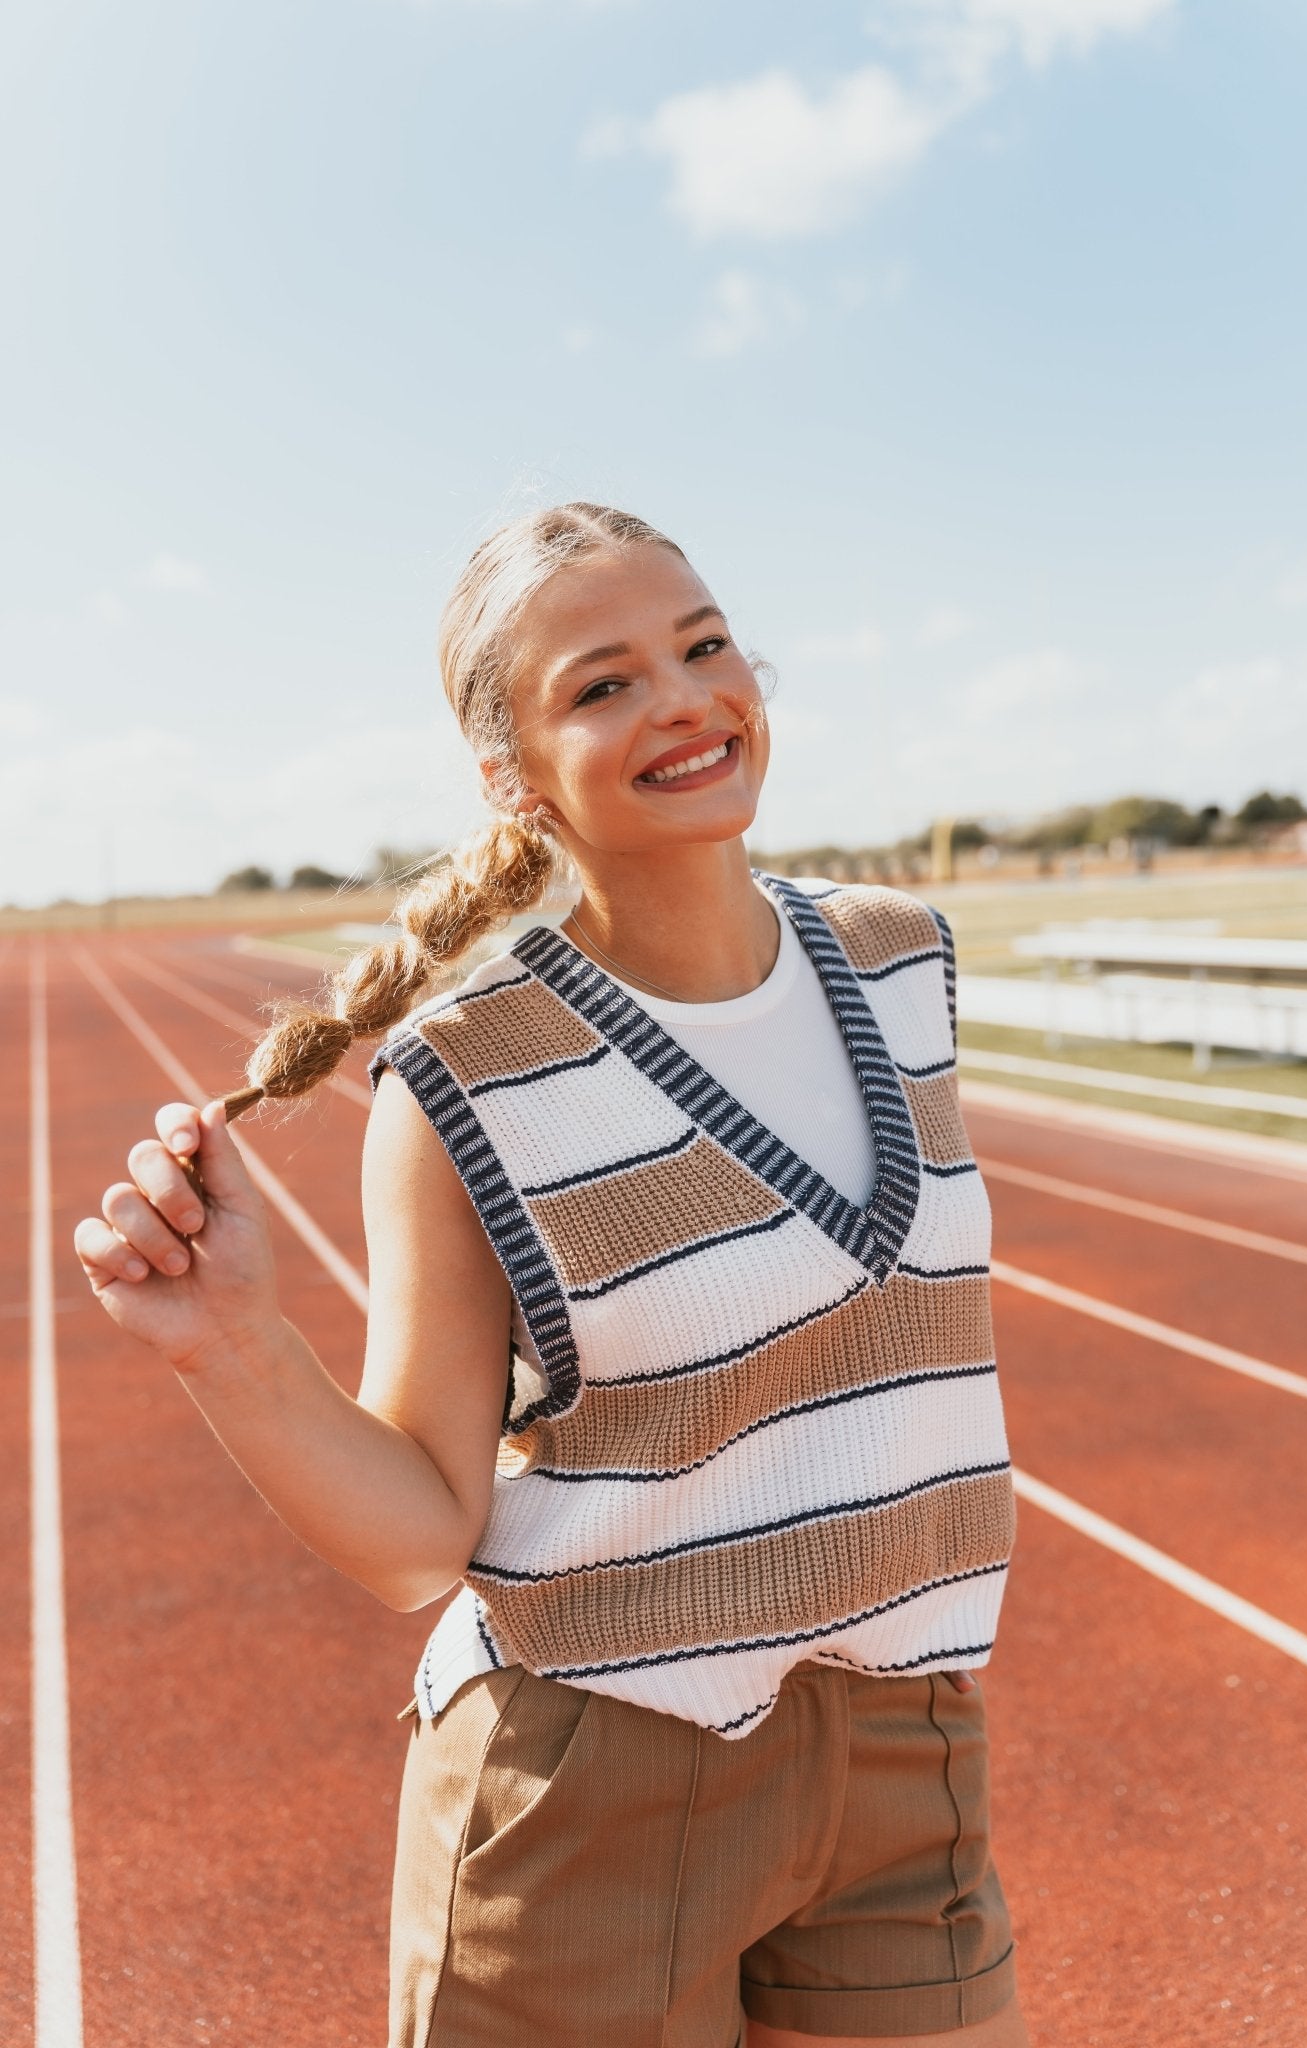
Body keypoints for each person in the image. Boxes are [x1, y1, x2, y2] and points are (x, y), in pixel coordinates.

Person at [74, 503, 1028, 2048]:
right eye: (603, 683)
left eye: (702, 645)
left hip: (906, 1742)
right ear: (509, 774)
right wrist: (230, 1344)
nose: (681, 697)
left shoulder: (902, 958)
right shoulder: (469, 1078)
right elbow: (413, 1541)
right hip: (597, 1783)